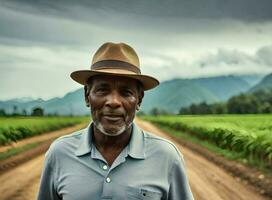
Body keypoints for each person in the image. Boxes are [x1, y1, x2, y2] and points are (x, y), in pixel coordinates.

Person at [37, 42, 194, 200]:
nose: (113, 102)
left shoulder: (166, 157)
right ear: (87, 95)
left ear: (139, 100)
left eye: (125, 92)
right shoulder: (59, 153)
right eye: (102, 90)